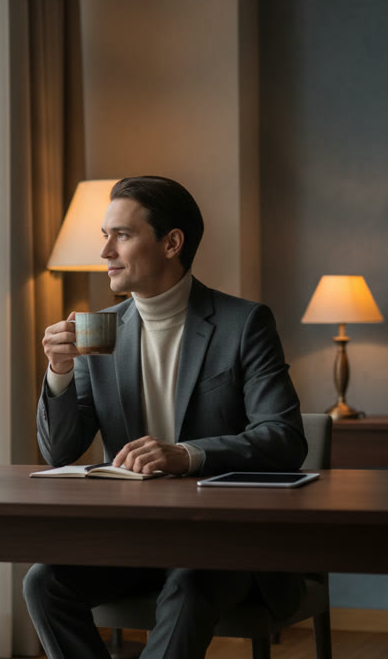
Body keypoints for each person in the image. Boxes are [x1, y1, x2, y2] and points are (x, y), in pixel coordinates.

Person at [23, 176, 307, 659]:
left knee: (191, 581)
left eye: (122, 235)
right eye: (104, 235)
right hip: (134, 538)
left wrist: (186, 455)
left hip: (228, 544)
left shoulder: (243, 324)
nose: (105, 251)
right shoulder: (100, 332)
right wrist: (59, 372)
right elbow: (60, 450)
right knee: (44, 582)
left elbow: (283, 438)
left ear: (172, 243)